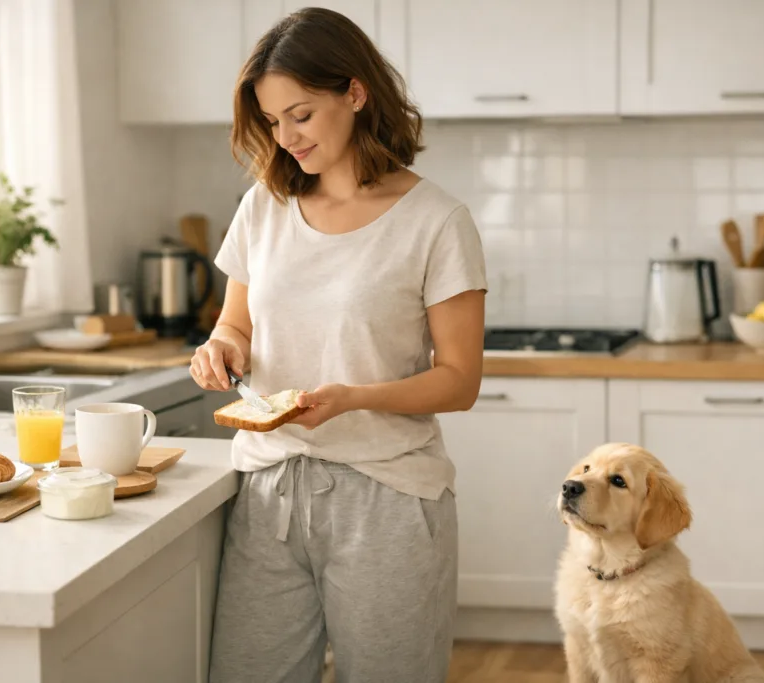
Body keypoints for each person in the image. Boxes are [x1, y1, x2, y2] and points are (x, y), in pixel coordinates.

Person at [190, 7, 487, 683]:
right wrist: (220, 347)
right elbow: (235, 324)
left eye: (301, 114)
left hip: (386, 497)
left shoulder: (437, 221)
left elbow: (459, 379)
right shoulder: (263, 205)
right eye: (272, 121)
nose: (286, 137)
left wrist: (353, 399)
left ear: (355, 93)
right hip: (267, 489)